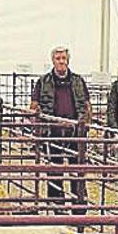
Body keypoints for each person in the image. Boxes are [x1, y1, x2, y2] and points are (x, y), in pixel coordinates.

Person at [29, 46, 92, 210]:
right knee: (54, 172)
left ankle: (79, 209)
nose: (61, 61)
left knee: (77, 172)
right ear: (53, 61)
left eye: (64, 58)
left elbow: (86, 105)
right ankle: (57, 209)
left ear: (68, 60)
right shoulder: (43, 82)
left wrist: (85, 126)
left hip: (74, 133)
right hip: (52, 134)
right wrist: (39, 126)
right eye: (58, 59)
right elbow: (34, 106)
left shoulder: (78, 80)